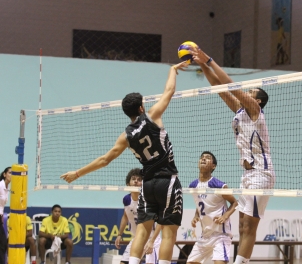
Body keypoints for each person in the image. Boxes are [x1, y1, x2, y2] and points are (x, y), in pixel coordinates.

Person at [60, 60, 188, 264]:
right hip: (168, 181)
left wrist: (77, 173)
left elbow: (104, 160)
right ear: (141, 107)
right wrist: (172, 70)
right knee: (168, 235)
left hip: (147, 185)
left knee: (141, 233)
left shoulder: (126, 137)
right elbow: (170, 90)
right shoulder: (153, 115)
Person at [192, 48, 275, 264]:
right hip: (247, 175)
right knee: (241, 226)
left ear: (257, 100)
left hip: (261, 174)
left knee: (249, 225)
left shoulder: (255, 111)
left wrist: (209, 58)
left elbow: (231, 85)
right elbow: (220, 88)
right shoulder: (240, 111)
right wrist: (202, 65)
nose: (248, 91)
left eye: (252, 91)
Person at [187, 151, 237, 264]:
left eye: (207, 158)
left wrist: (225, 216)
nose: (203, 159)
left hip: (221, 235)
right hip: (205, 236)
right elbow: (200, 203)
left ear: (213, 166)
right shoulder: (193, 185)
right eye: (202, 157)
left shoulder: (219, 185)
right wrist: (196, 216)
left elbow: (235, 203)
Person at [115, 168, 161, 264]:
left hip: (152, 239)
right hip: (137, 238)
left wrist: (152, 241)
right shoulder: (126, 200)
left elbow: (161, 222)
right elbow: (125, 216)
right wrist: (119, 234)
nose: (136, 181)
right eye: (133, 179)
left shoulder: (149, 200)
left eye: (139, 180)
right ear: (128, 183)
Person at [0, 167, 11, 264]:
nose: (12, 175)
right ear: (4, 174)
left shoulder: (7, 188)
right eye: (10, 173)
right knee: (3, 243)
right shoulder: (0, 185)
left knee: (3, 243)